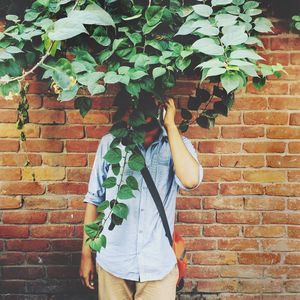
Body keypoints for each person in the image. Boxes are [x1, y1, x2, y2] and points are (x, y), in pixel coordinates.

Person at [79, 92, 204, 300]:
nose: (141, 112)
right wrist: (85, 255)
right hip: (113, 263)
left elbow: (190, 180)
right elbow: (94, 199)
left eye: (149, 104)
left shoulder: (176, 146)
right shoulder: (111, 143)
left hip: (158, 267)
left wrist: (171, 126)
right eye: (136, 105)